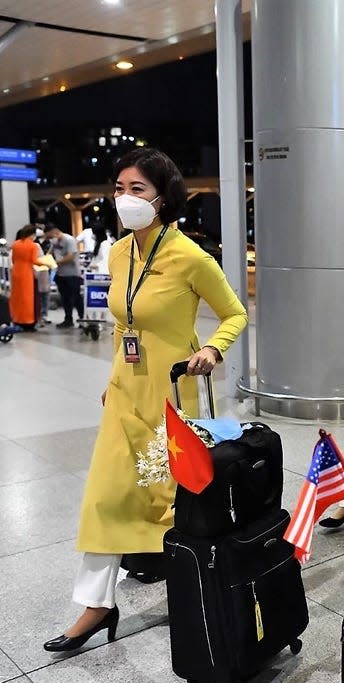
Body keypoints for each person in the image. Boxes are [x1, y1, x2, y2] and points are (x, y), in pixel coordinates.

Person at [43, 148, 248, 653]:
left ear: (163, 197)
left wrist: (212, 350)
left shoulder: (191, 257)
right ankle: (97, 605)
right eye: (119, 188)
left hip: (172, 399)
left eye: (137, 189)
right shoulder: (118, 253)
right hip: (125, 394)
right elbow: (123, 325)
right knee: (105, 496)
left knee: (169, 500)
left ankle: (192, 589)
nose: (124, 198)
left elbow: (234, 314)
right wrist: (113, 375)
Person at [46, 223, 83, 329]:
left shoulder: (69, 240)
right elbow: (50, 253)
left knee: (76, 297)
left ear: (55, 231)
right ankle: (68, 319)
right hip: (60, 274)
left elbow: (71, 257)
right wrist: (46, 259)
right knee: (65, 298)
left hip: (72, 274)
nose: (51, 238)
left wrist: (55, 263)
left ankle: (81, 318)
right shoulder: (55, 241)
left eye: (51, 235)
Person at [9, 225, 44, 330]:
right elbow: (35, 261)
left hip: (16, 273)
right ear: (32, 234)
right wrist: (47, 263)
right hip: (27, 273)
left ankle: (17, 319)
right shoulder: (33, 246)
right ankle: (28, 322)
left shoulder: (15, 244)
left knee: (17, 298)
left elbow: (13, 259)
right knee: (27, 298)